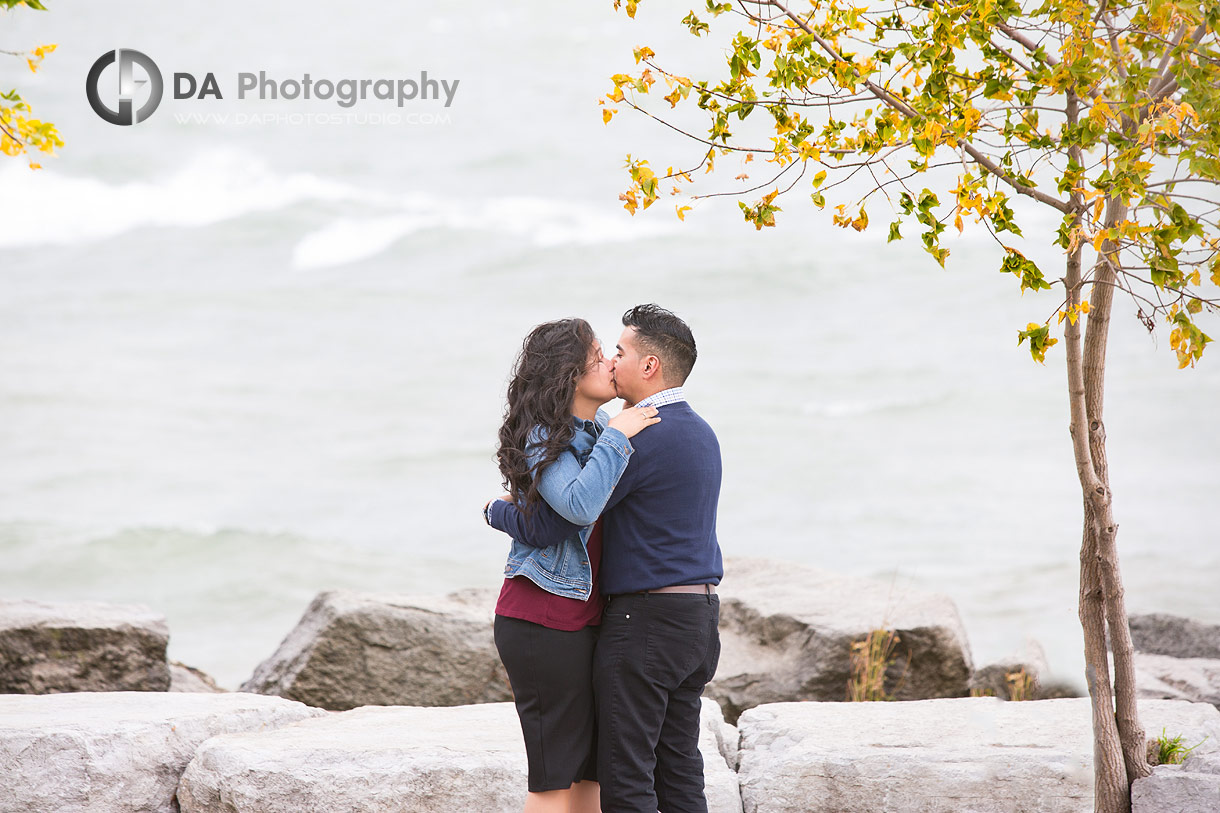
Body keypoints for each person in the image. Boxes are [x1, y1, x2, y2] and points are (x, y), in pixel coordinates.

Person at [488, 304, 724, 813]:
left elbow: (563, 517)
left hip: (637, 624)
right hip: (676, 620)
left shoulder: (628, 437)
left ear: (649, 367)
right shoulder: (695, 432)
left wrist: (497, 511)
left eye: (616, 352)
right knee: (661, 767)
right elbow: (570, 512)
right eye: (602, 354)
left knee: (621, 776)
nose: (611, 362)